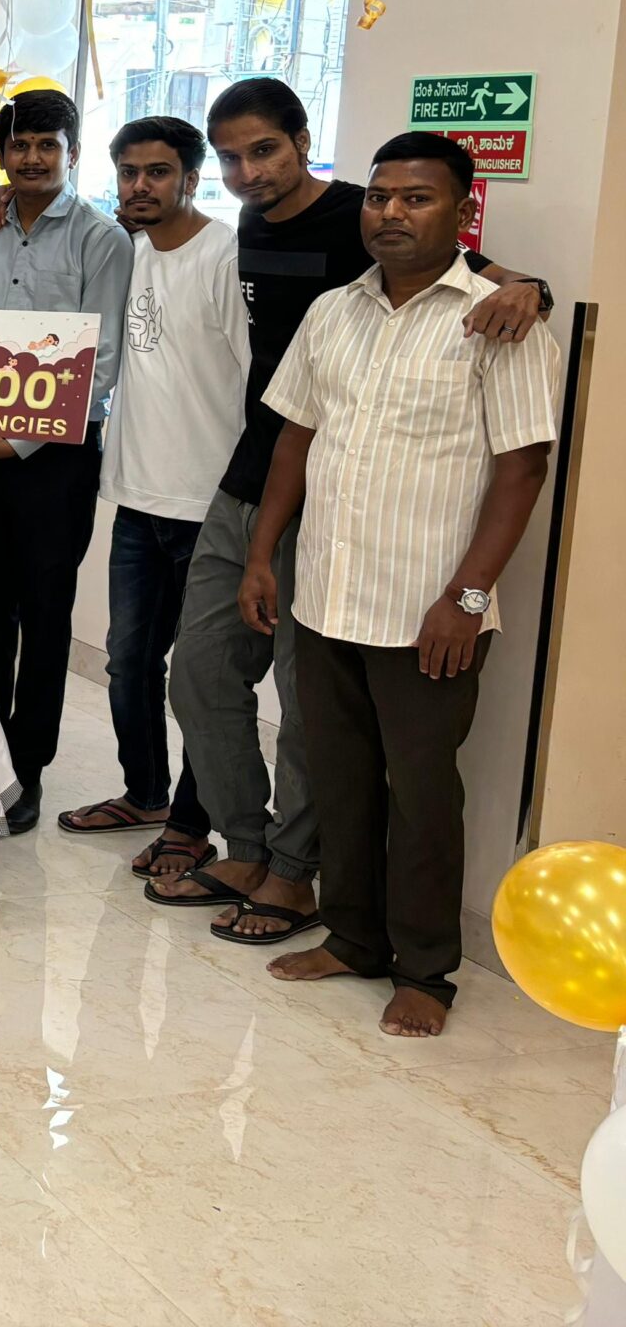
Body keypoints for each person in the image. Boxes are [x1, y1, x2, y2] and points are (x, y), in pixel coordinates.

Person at [147, 78, 549, 938]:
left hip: (340, 508)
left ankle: (295, 872)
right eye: (231, 158)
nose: (249, 172)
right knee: (201, 672)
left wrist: (533, 287)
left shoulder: (367, 222)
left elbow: (476, 274)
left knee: (310, 705)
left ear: (303, 142)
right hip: (253, 479)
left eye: (265, 151)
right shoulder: (261, 233)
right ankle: (246, 842)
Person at [241, 135, 558, 1037]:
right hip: (326, 593)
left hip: (428, 613)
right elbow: (296, 438)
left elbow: (522, 469)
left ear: (463, 211)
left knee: (421, 795)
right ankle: (352, 938)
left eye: (417, 198)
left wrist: (467, 598)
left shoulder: (502, 322)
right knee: (339, 779)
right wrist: (263, 555)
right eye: (380, 196)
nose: (390, 213)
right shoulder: (334, 312)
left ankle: (425, 969)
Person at [0, 86, 131, 834]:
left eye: (49, 146)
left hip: (54, 461)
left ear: (73, 153)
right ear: (2, 153)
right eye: (20, 145)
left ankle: (27, 767)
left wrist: (18, 442)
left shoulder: (102, 239)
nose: (33, 158)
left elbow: (101, 361)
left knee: (45, 616)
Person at [55, 117, 241, 876]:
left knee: (201, 680)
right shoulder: (123, 251)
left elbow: (258, 380)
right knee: (128, 663)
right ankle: (146, 795)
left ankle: (193, 826)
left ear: (192, 179)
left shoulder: (226, 255)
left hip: (209, 505)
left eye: (158, 172)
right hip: (136, 496)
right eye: (128, 172)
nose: (140, 186)